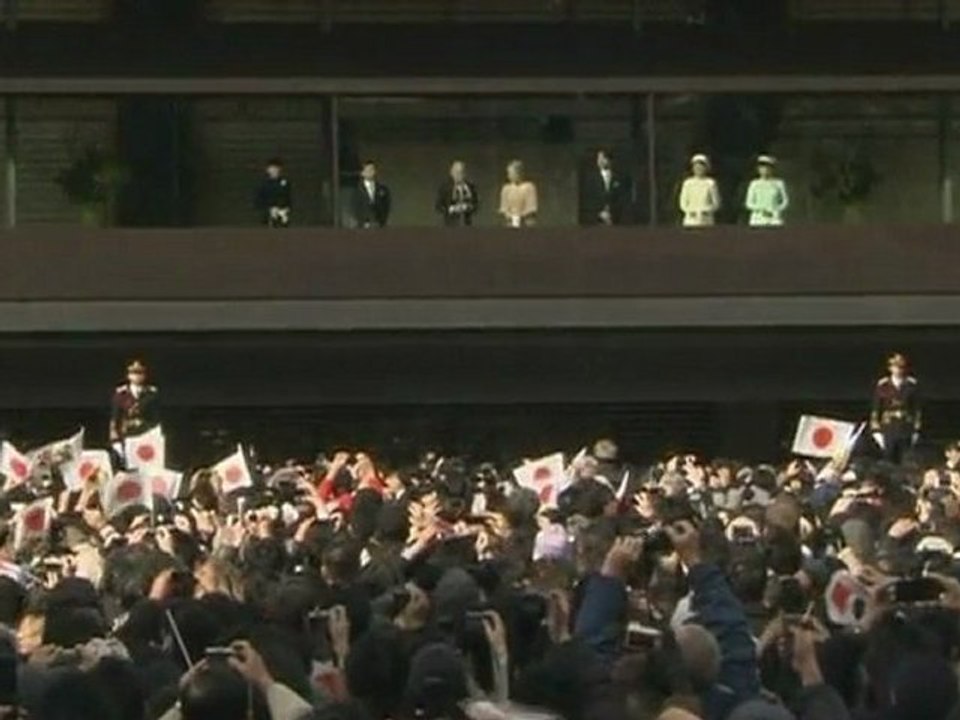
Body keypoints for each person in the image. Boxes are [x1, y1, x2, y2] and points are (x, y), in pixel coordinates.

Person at [870, 353, 921, 464]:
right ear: (890, 368)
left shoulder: (911, 385)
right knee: (888, 461)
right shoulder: (883, 385)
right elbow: (876, 410)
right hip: (888, 428)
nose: (898, 370)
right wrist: (876, 431)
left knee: (906, 460)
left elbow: (916, 410)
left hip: (905, 428)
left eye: (901, 367)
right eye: (895, 367)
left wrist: (916, 430)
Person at [109, 359, 160, 448]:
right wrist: (115, 441)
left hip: (146, 435)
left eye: (140, 373)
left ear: (145, 375)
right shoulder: (121, 394)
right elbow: (115, 419)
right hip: (126, 436)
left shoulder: (152, 394)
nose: (137, 376)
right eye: (134, 373)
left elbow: (155, 419)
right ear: (128, 375)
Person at [579, 149, 631, 226]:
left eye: (603, 158)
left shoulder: (620, 178)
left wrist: (612, 214)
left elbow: (623, 198)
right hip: (595, 221)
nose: (600, 161)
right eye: (599, 158)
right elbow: (588, 199)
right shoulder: (590, 179)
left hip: (616, 220)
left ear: (609, 160)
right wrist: (599, 214)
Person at [744, 155, 789, 227]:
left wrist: (775, 209)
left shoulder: (779, 183)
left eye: (767, 167)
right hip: (758, 219)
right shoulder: (754, 184)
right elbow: (748, 203)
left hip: (774, 218)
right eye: (761, 167)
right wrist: (762, 209)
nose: (764, 170)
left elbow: (785, 202)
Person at [679, 154, 720, 227]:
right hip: (690, 221)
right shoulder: (687, 183)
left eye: (701, 166)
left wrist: (706, 211)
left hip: (706, 221)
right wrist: (690, 211)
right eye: (696, 166)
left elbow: (716, 203)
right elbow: (683, 202)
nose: (699, 169)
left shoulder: (710, 183)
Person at [435, 161, 479, 227]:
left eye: (461, 172)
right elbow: (438, 206)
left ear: (465, 174)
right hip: (450, 225)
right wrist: (451, 209)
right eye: (456, 172)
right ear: (451, 173)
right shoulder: (445, 188)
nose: (459, 175)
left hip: (467, 225)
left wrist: (468, 207)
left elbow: (476, 204)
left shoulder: (470, 187)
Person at [352, 161, 392, 229]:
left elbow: (386, 206)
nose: (370, 172)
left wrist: (382, 222)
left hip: (379, 226)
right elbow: (355, 208)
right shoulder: (356, 191)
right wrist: (362, 222)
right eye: (367, 170)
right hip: (362, 227)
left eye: (371, 169)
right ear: (362, 173)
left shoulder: (383, 189)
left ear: (375, 171)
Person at [254, 158, 292, 228]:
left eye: (276, 168)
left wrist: (283, 210)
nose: (274, 170)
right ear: (267, 170)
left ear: (280, 169)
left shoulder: (285, 183)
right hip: (267, 216)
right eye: (272, 168)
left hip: (283, 213)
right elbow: (258, 201)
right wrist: (270, 210)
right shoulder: (263, 184)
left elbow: (288, 198)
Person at [498, 160, 538, 228]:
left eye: (511, 173)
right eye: (508, 173)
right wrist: (511, 217)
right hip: (510, 223)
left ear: (518, 173)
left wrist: (519, 217)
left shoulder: (529, 187)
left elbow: (531, 208)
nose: (509, 176)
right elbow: (504, 208)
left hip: (525, 223)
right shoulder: (506, 189)